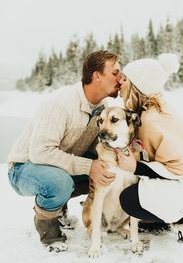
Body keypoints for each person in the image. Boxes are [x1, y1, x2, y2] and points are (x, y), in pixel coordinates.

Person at [7, 50, 121, 251]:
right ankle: (49, 233)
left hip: (59, 163)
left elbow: (100, 149)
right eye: (115, 73)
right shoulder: (60, 103)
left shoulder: (105, 107)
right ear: (97, 76)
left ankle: (60, 209)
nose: (120, 79)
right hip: (24, 168)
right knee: (60, 182)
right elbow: (40, 152)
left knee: (108, 171)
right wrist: (89, 166)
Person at [117, 53, 183, 243]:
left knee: (129, 199)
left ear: (137, 87)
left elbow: (174, 168)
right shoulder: (149, 110)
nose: (119, 83)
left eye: (124, 79)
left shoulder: (153, 119)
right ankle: (164, 218)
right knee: (140, 189)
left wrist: (135, 167)